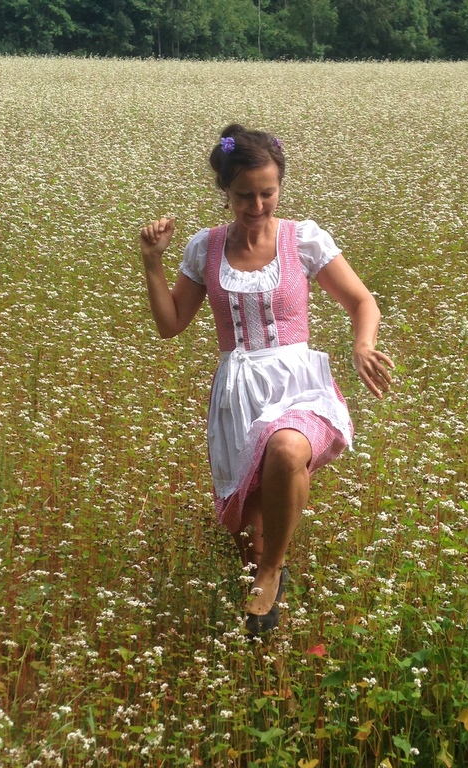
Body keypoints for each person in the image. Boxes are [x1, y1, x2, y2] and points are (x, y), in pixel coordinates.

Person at [140, 123, 394, 637]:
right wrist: (152, 263)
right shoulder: (204, 248)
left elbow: (362, 301)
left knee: (284, 450)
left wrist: (362, 343)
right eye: (244, 195)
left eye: (267, 193)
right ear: (225, 191)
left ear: (280, 186)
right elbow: (170, 326)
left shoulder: (304, 239)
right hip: (238, 395)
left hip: (299, 383)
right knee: (249, 543)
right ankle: (265, 603)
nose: (257, 205)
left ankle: (274, 571)